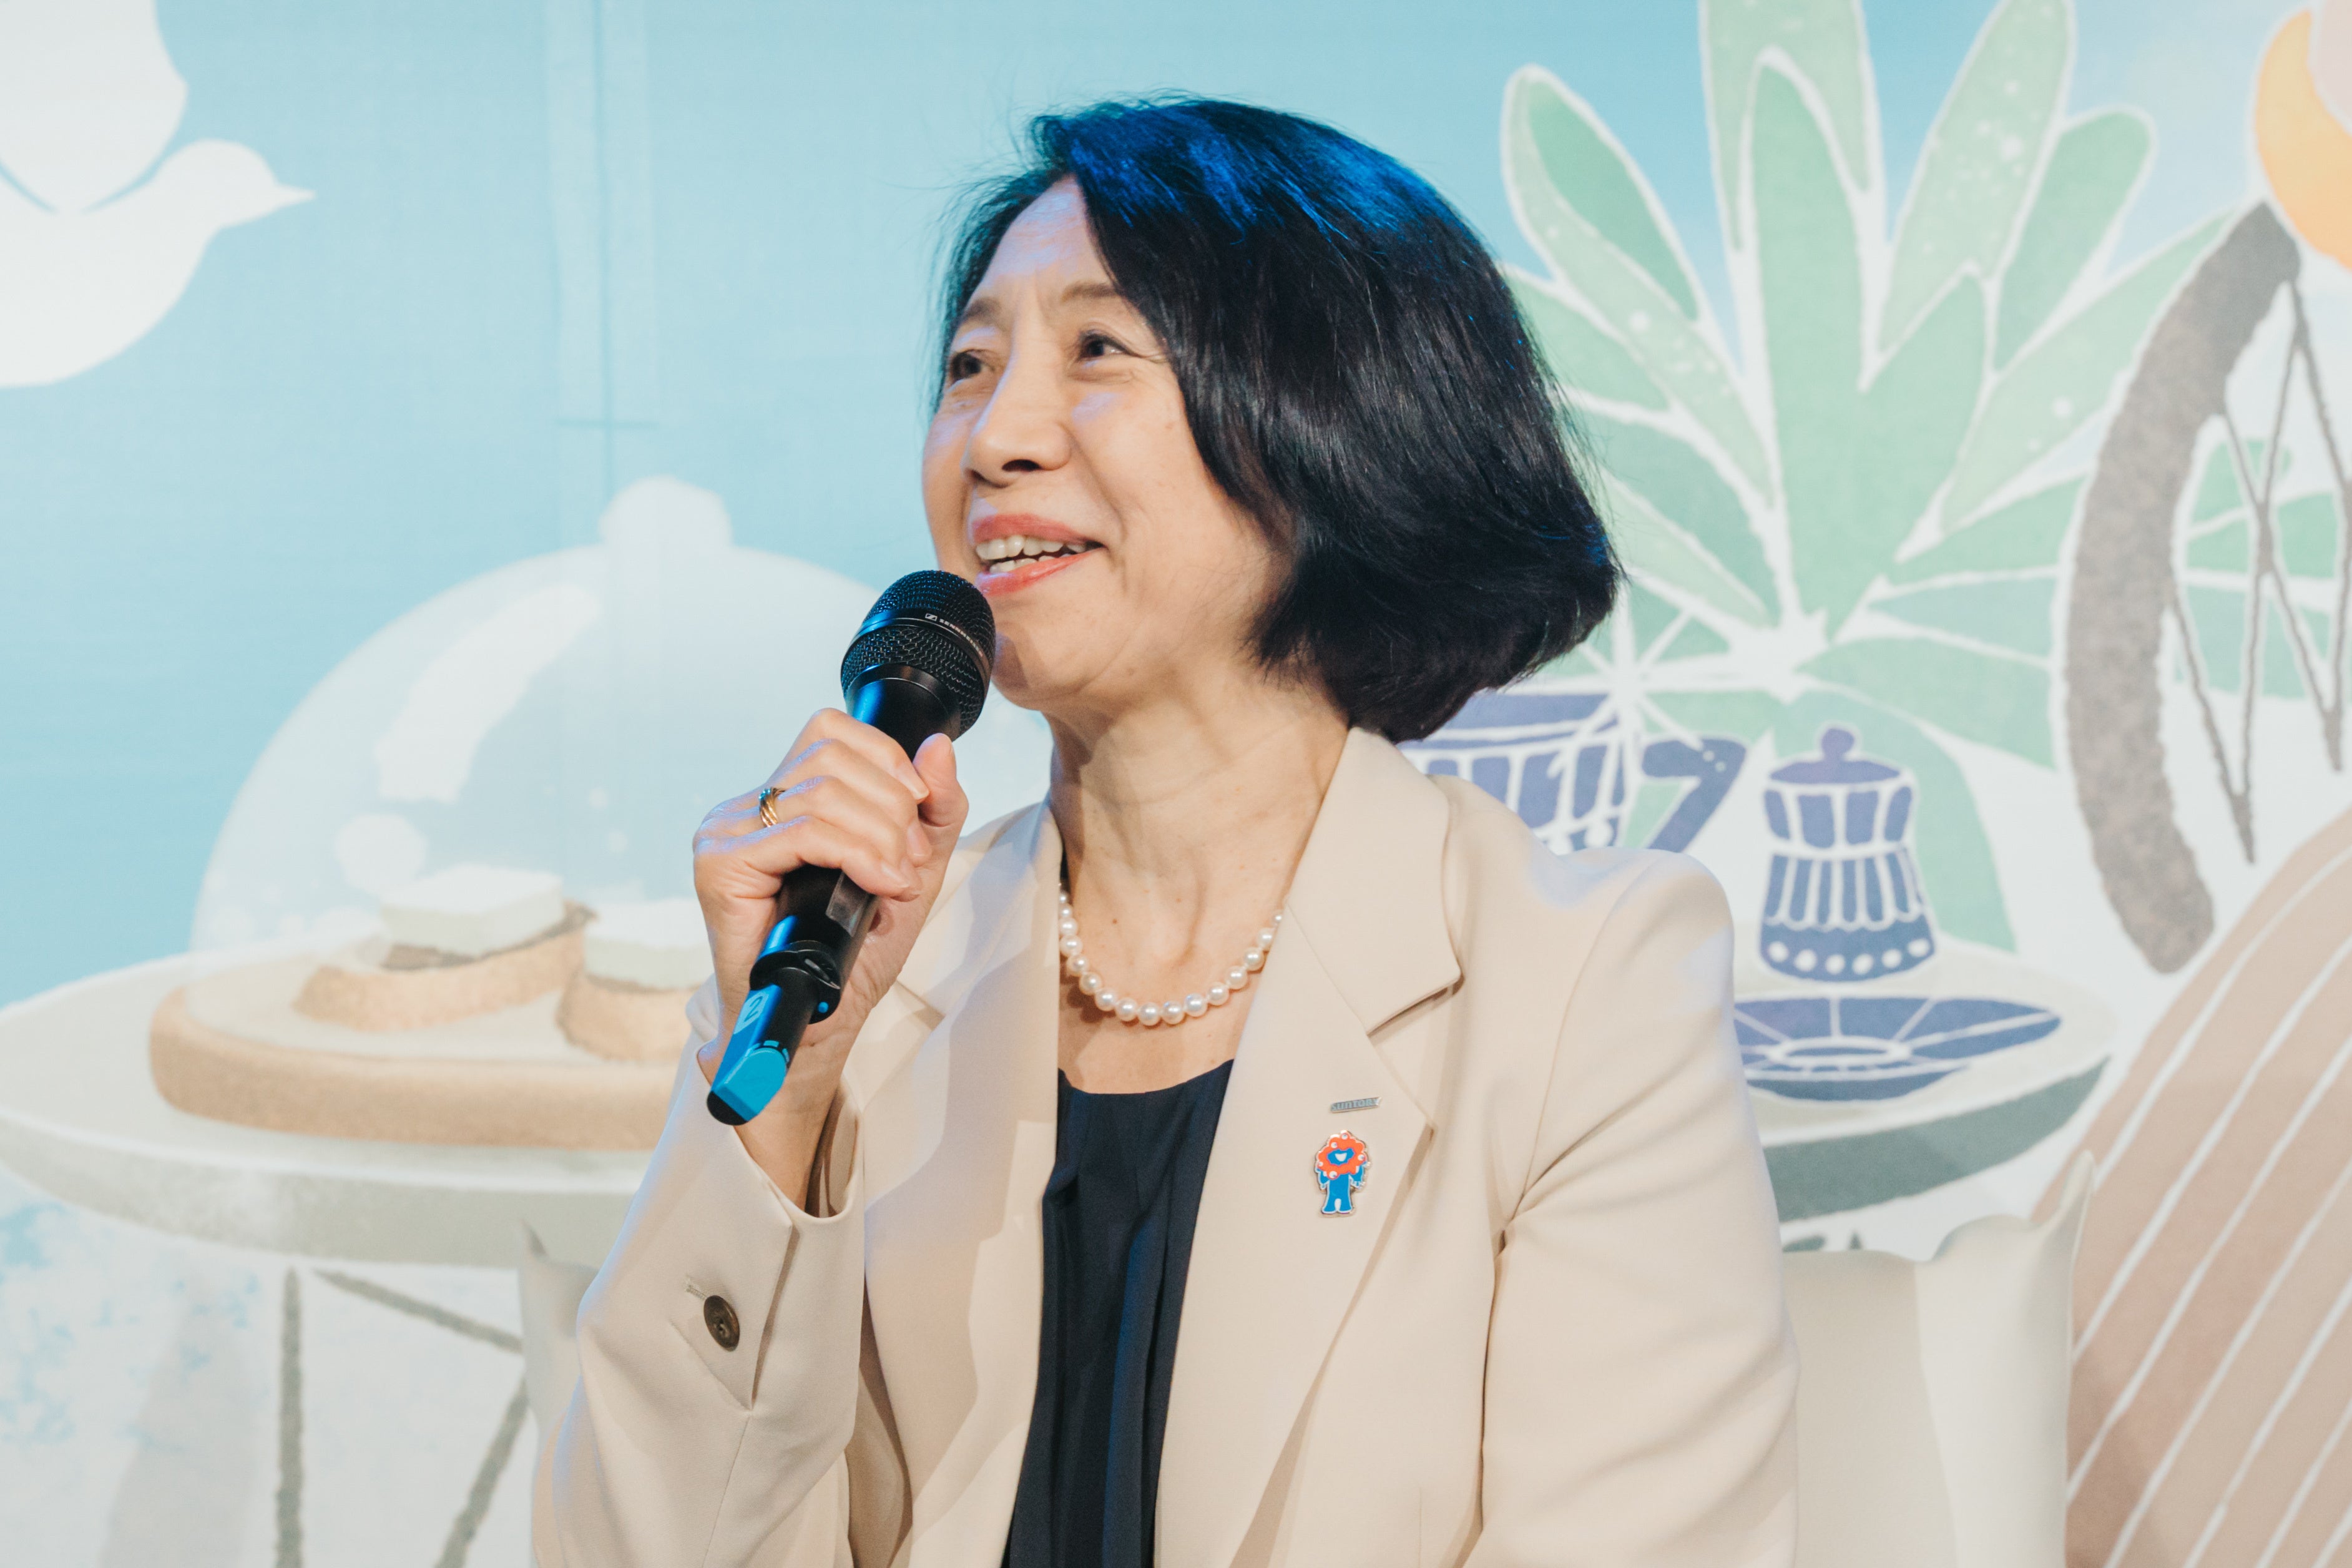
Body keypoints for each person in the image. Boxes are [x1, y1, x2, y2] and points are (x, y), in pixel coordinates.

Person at [535, 97, 1796, 1568]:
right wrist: (785, 1100)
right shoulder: (861, 967)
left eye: (1098, 350)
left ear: (1331, 420)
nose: (996, 439)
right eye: (970, 365)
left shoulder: (1583, 984)